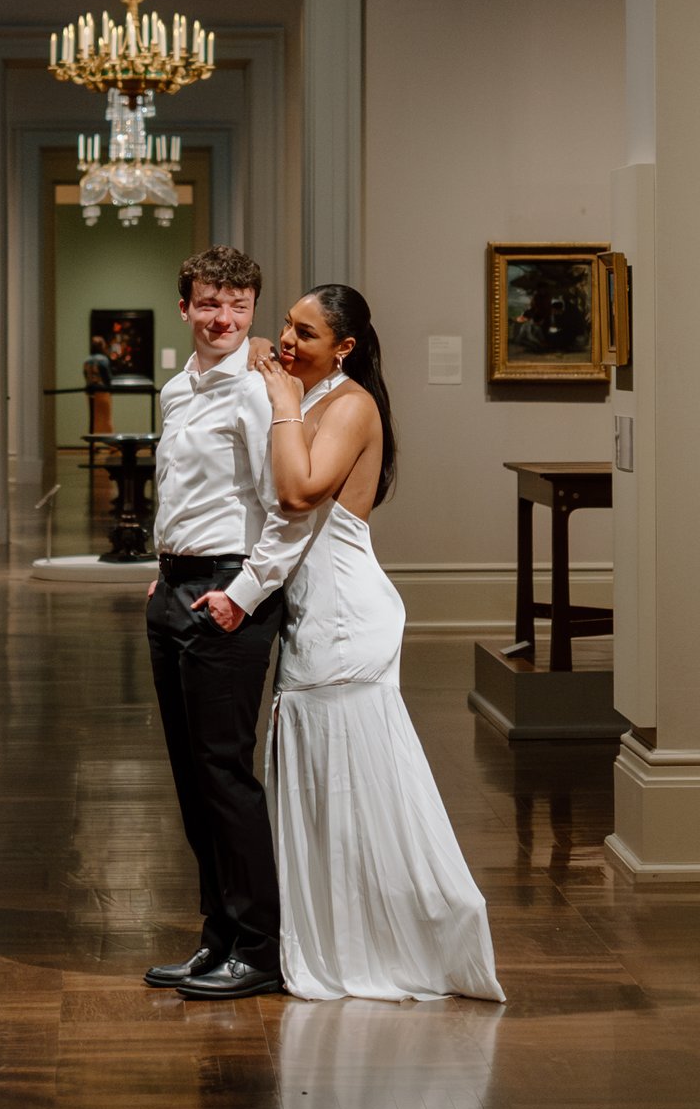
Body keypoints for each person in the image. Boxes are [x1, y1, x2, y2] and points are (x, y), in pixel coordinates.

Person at [235, 285, 503, 1006]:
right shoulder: (311, 394)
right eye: (286, 325)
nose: (286, 340)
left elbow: (299, 494)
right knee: (320, 771)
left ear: (344, 347)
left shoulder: (349, 406)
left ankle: (387, 938)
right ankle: (331, 929)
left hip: (343, 612)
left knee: (353, 773)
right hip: (310, 606)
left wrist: (284, 400)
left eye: (305, 333)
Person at [139, 244, 301, 1001]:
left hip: (229, 597)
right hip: (175, 589)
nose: (223, 319)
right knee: (191, 778)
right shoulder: (176, 390)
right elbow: (187, 493)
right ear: (185, 308)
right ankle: (217, 938)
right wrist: (162, 567)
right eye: (209, 304)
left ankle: (260, 950)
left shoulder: (260, 392)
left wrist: (241, 592)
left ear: (253, 310)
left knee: (228, 777)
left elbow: (289, 514)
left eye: (237, 306)